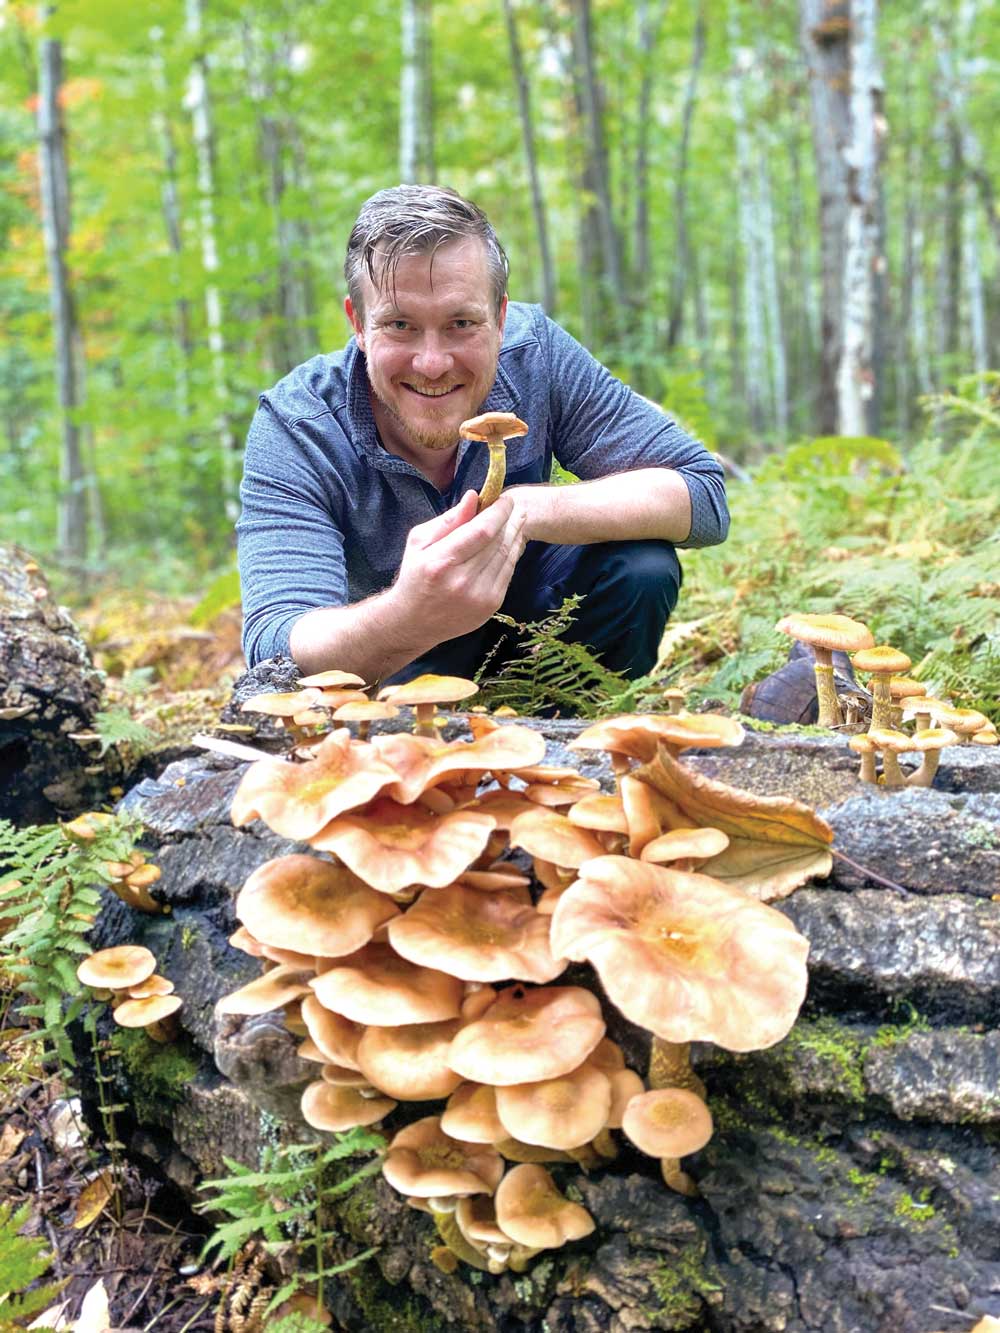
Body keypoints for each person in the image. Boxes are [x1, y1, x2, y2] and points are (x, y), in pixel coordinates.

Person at [237, 184, 729, 690]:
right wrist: (410, 613)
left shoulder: (536, 355)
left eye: (461, 323)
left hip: (538, 641)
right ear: (358, 324)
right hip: (393, 669)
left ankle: (574, 741)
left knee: (640, 567)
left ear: (499, 318)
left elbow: (703, 495)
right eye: (400, 325)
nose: (432, 364)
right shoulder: (299, 426)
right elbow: (275, 643)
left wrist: (525, 510)